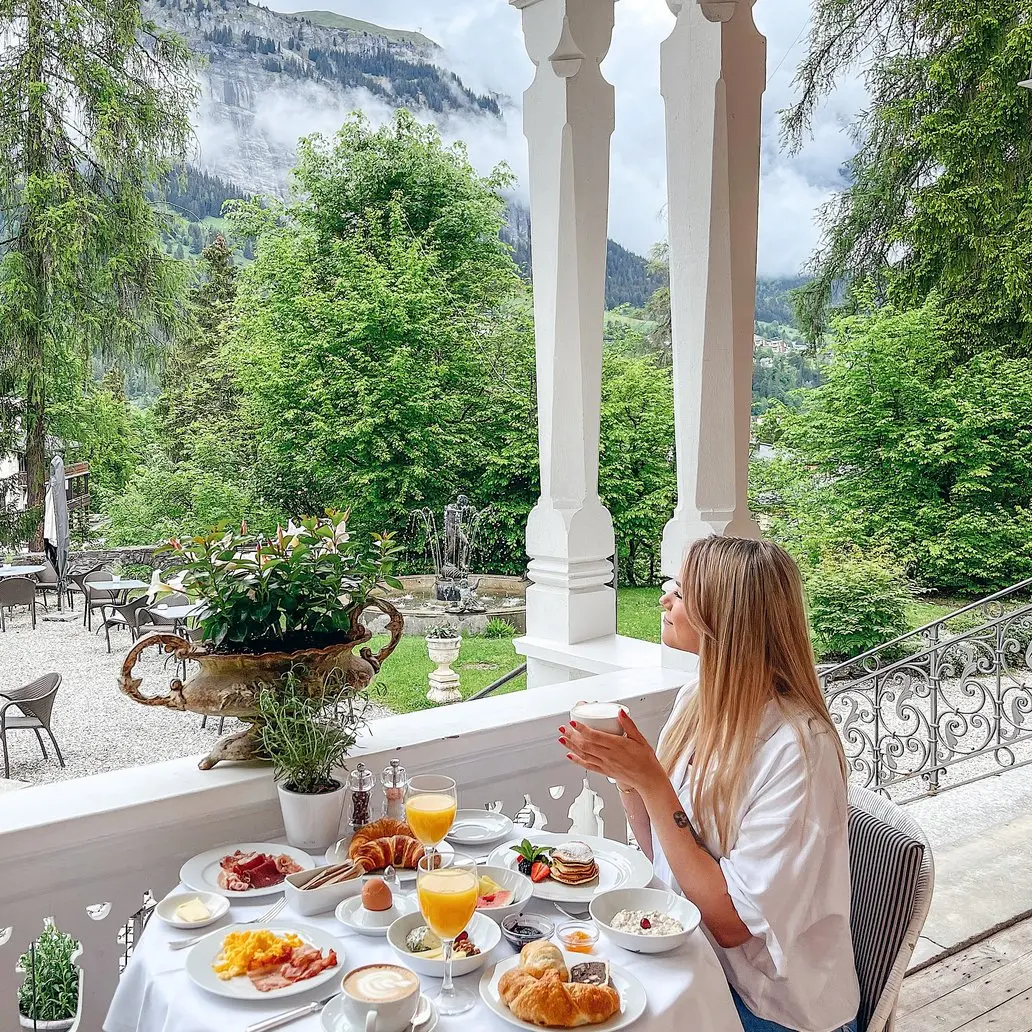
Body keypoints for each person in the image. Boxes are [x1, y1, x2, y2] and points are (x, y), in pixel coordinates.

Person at [559, 537, 859, 1032]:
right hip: (696, 965)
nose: (665, 598)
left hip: (771, 1007)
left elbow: (732, 925)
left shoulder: (799, 750)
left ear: (726, 617)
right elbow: (666, 849)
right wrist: (630, 777)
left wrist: (654, 785)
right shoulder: (698, 699)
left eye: (680, 589)